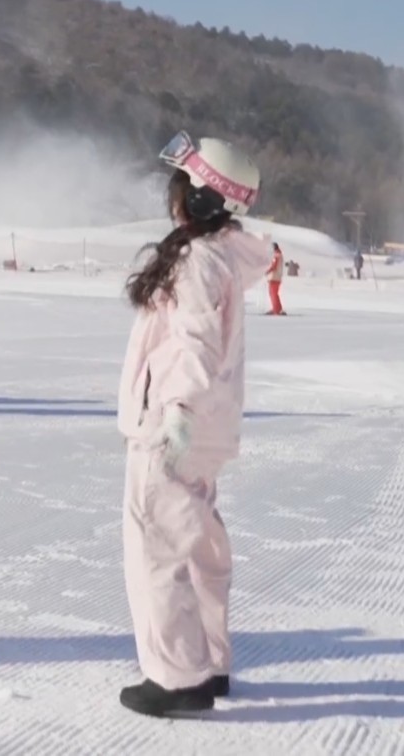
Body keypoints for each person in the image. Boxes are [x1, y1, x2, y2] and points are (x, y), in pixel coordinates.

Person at [116, 133, 271, 717]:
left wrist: (176, 413)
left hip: (174, 425)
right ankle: (208, 663)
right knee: (200, 545)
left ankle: (177, 677)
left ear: (203, 200)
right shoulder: (218, 257)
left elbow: (196, 345)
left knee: (157, 546)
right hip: (203, 426)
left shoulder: (200, 262)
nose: (172, 198)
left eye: (180, 188)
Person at [266, 242, 287, 315]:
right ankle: (277, 308)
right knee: (274, 293)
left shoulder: (276, 255)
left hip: (274, 277)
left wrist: (267, 271)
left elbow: (274, 266)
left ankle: (276, 309)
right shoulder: (279, 255)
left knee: (273, 294)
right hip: (277, 277)